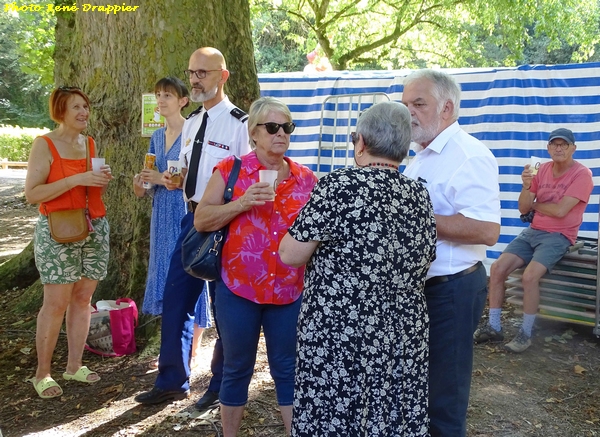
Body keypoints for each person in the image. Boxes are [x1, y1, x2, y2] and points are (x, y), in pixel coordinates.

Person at [279, 101, 437, 436]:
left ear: (361, 143)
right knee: (390, 413)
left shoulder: (339, 186)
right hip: (400, 328)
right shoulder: (419, 194)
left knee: (334, 412)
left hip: (340, 329)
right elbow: (426, 256)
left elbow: (291, 253)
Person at [194, 96, 317, 436]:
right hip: (238, 288)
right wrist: (242, 203)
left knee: (288, 368)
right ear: (254, 132)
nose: (281, 134)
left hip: (289, 290)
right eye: (273, 127)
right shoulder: (230, 170)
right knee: (236, 367)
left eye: (287, 127)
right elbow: (202, 220)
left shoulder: (306, 179)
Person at [134, 47, 251, 407]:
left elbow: (245, 177)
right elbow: (187, 173)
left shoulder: (240, 124)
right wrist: (175, 180)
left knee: (224, 307)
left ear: (223, 75)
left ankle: (218, 385)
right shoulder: (194, 122)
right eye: (192, 72)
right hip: (191, 218)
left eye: (203, 72)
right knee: (176, 298)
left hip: (226, 223)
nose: (196, 79)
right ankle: (172, 380)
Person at [402, 69, 501, 437]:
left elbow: (486, 230)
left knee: (445, 397)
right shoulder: (422, 155)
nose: (409, 112)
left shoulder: (469, 154)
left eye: (418, 103)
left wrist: (413, 214)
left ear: (446, 107)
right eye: (405, 104)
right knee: (423, 390)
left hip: (452, 289)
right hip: (425, 289)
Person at [24, 87, 112, 399]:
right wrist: (76, 179)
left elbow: (90, 185)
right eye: (76, 107)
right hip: (57, 230)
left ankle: (74, 366)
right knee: (56, 303)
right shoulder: (44, 144)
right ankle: (42, 373)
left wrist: (99, 179)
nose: (84, 112)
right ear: (61, 111)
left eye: (86, 106)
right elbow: (32, 193)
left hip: (94, 227)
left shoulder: (89, 143)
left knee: (82, 299)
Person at [475, 128, 593, 353]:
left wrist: (535, 205)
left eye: (564, 144)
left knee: (529, 277)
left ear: (573, 149)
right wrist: (527, 186)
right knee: (498, 268)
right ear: (548, 148)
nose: (558, 148)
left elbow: (560, 212)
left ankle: (525, 333)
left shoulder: (582, 174)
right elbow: (522, 207)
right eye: (554, 144)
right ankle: (494, 326)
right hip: (534, 230)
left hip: (560, 235)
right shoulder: (541, 169)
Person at [133, 77, 210, 369]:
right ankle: (173, 349)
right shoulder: (156, 137)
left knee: (192, 272)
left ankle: (194, 348)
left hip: (184, 210)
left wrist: (170, 181)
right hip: (160, 213)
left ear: (182, 100)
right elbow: (146, 183)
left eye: (167, 95)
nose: (161, 100)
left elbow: (198, 176)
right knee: (166, 275)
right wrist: (141, 182)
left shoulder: (192, 133)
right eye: (157, 95)